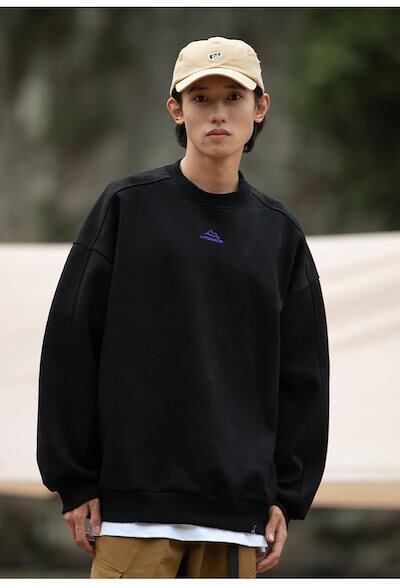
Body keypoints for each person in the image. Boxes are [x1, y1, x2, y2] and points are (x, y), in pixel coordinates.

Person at [36, 35, 330, 578]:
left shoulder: (279, 235)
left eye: (233, 97)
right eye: (201, 98)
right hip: (131, 513)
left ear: (260, 107)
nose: (218, 113)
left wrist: (286, 495)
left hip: (235, 518)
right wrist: (75, 479)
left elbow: (303, 376)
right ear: (176, 109)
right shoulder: (126, 207)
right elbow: (71, 344)